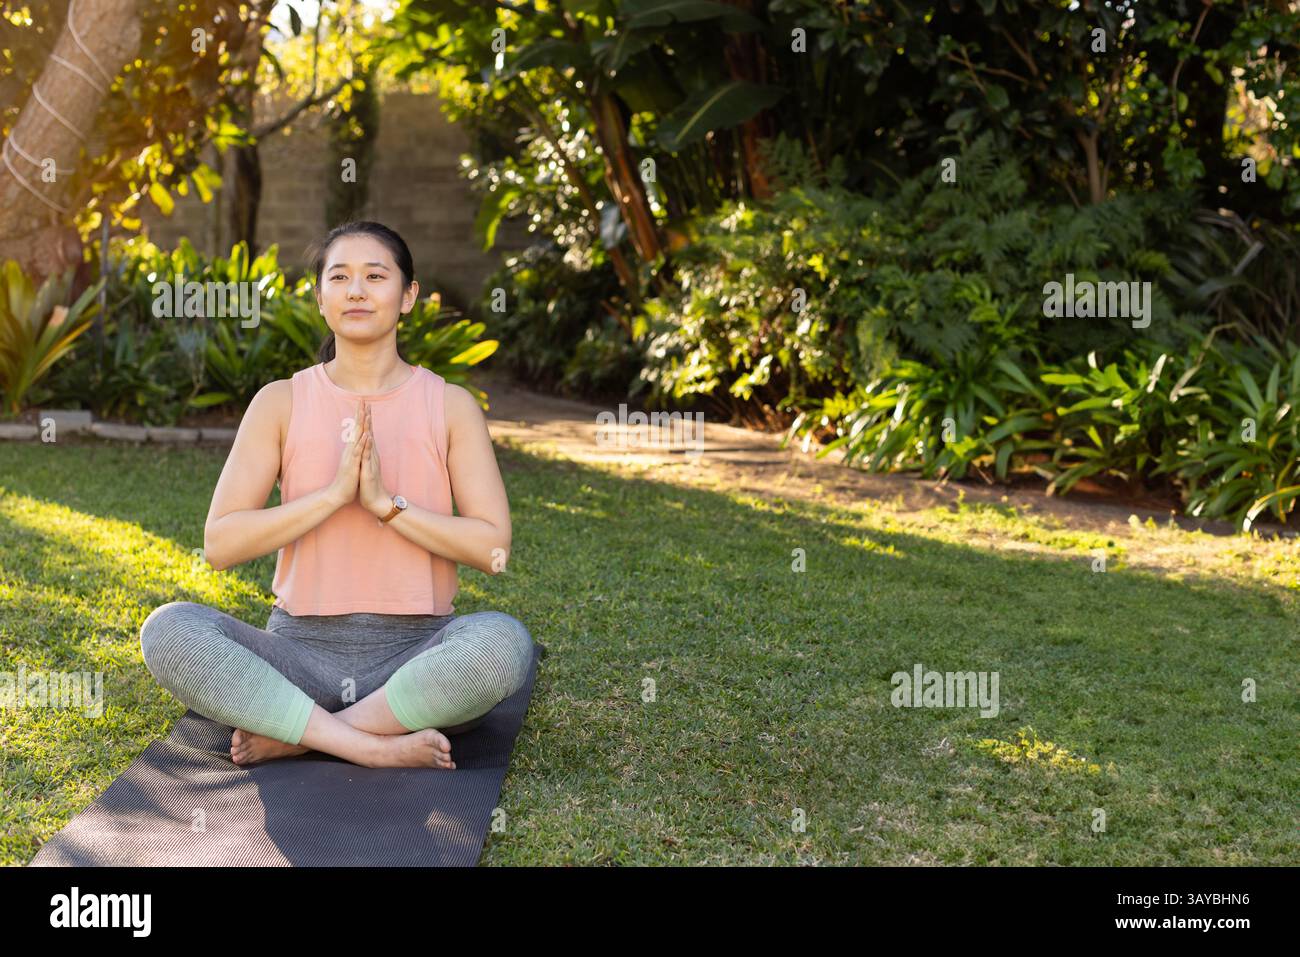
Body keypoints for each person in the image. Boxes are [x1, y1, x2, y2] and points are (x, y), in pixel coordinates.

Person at [138, 221, 535, 769]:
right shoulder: (281, 401)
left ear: (408, 296)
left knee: (502, 645)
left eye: (376, 275)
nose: (356, 290)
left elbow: (493, 550)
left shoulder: (450, 405)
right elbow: (220, 545)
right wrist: (331, 497)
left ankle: (301, 735)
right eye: (340, 276)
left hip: (415, 660)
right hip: (298, 657)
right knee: (169, 629)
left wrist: (384, 506)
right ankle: (370, 746)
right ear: (321, 297)